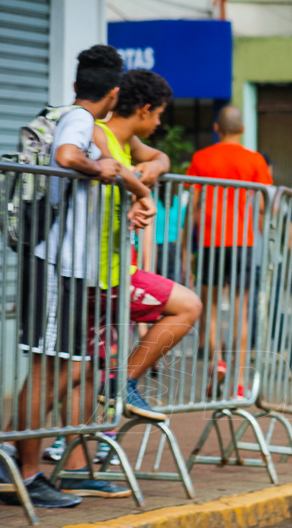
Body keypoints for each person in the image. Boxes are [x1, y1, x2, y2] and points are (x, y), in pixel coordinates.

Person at [0, 45, 155, 506]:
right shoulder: (77, 120)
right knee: (46, 370)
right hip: (56, 265)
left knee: (65, 369)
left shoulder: (73, 113)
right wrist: (100, 168)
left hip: (68, 269)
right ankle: (27, 474)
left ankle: (10, 459)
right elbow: (69, 155)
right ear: (115, 93)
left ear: (78, 83)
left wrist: (131, 184)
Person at [93, 69, 203, 422]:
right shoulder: (98, 136)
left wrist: (154, 167)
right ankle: (121, 383)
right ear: (143, 109)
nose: (158, 122)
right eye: (158, 114)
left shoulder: (126, 142)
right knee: (188, 305)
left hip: (112, 269)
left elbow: (161, 157)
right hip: (101, 274)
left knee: (75, 375)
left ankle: (74, 460)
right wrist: (140, 192)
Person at [186, 106, 273, 397]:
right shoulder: (255, 160)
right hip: (243, 242)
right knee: (241, 312)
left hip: (211, 242)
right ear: (243, 130)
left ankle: (216, 361)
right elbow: (262, 207)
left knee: (209, 308)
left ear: (216, 128)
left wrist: (188, 247)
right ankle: (238, 382)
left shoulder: (201, 158)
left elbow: (193, 207)